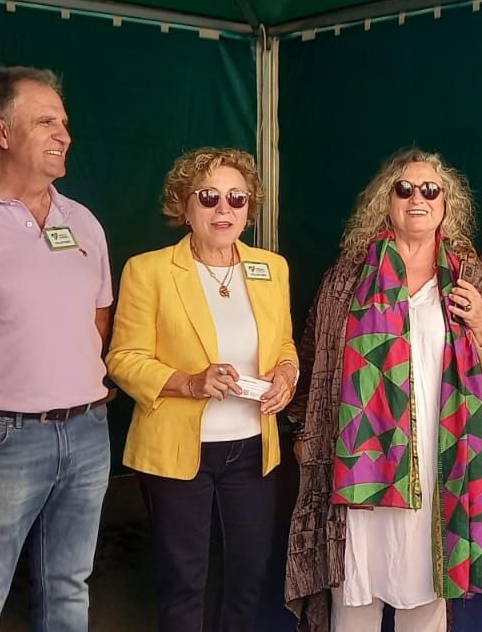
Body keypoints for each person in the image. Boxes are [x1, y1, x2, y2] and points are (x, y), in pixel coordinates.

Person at [285, 148, 482, 632]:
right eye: (405, 188)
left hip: (439, 456)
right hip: (361, 460)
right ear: (387, 201)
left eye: (431, 190)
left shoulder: (463, 272)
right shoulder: (350, 274)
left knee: (424, 585)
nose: (418, 198)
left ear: (447, 203)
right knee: (357, 584)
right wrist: (305, 430)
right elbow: (314, 352)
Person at [0, 67, 114, 631]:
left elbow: (98, 317)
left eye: (64, 122)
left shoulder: (82, 220)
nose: (63, 134)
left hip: (87, 430)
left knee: (68, 587)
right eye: (45, 121)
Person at [107, 147, 299, 632]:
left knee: (248, 577)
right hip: (178, 451)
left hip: (253, 448)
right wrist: (190, 382)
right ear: (183, 205)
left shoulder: (271, 267)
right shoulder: (148, 270)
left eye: (237, 199)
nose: (224, 210)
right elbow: (123, 359)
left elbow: (283, 345)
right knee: (184, 579)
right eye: (209, 197)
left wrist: (287, 375)